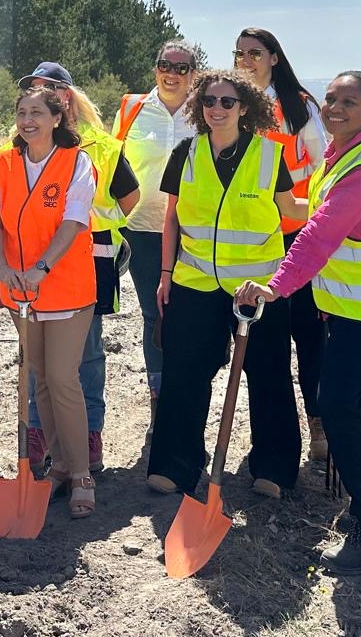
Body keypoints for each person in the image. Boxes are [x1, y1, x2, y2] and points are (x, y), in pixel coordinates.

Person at [236, 71, 361, 576]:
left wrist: (275, 286)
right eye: (332, 99)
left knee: (336, 401)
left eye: (350, 101)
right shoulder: (337, 159)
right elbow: (312, 215)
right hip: (359, 305)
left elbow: (317, 237)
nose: (337, 107)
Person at [148, 70, 301, 502]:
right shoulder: (186, 152)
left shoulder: (270, 157)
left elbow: (293, 210)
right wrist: (165, 275)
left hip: (257, 288)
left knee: (269, 374)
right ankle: (174, 467)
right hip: (195, 283)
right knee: (184, 374)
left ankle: (274, 467)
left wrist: (342, 204)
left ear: (246, 108)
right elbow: (172, 218)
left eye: (227, 102)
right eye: (209, 101)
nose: (217, 109)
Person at [0, 85, 99, 518]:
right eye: (22, 112)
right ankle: (61, 464)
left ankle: (84, 473)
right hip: (20, 290)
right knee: (40, 379)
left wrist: (42, 268)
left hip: (65, 289)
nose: (28, 119)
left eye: (37, 112)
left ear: (56, 118)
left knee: (62, 377)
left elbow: (73, 221)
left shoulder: (76, 162)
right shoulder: (3, 162)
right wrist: (1, 266)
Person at [20, 63, 140, 476]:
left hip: (92, 257)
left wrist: (88, 219)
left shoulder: (100, 146)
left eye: (50, 88)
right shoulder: (19, 140)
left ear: (66, 97)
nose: (41, 95)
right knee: (37, 355)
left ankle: (88, 434)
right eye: (35, 89)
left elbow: (129, 199)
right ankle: (39, 431)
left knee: (84, 354)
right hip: (38, 260)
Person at [234, 26, 329, 461]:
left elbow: (325, 166)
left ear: (274, 57)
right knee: (267, 346)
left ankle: (320, 427)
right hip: (255, 242)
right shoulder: (232, 105)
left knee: (310, 335)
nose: (246, 60)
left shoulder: (298, 106)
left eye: (254, 53)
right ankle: (272, 440)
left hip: (300, 237)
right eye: (240, 54)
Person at [110, 40, 201, 425]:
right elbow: (113, 164)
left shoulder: (206, 110)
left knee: (190, 315)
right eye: (166, 64)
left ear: (193, 75)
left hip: (195, 232)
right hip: (143, 230)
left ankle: (187, 393)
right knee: (154, 314)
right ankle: (160, 396)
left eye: (182, 68)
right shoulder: (132, 109)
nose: (172, 73)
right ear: (155, 68)